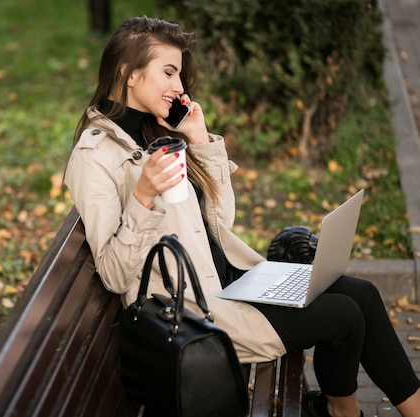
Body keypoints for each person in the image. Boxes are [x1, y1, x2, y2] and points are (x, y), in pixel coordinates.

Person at [63, 16, 420, 417]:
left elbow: (220, 224)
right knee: (343, 315)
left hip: (234, 280)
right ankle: (342, 412)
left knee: (363, 294)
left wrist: (200, 140)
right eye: (168, 72)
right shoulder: (95, 157)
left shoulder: (156, 130)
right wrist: (142, 197)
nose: (179, 87)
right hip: (196, 311)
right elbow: (113, 275)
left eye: (179, 74)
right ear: (128, 73)